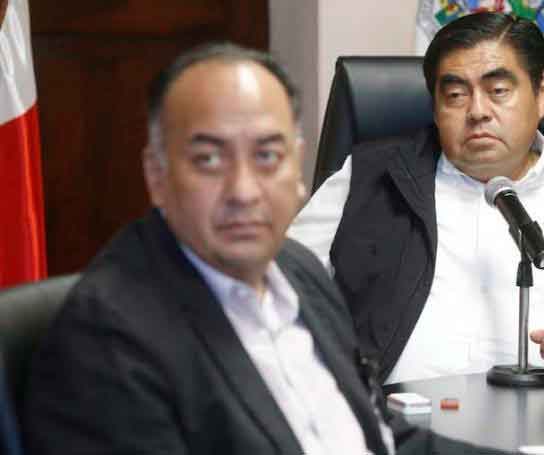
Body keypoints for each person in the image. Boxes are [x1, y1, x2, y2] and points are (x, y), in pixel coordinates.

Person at [24, 42, 505, 455]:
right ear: (156, 176)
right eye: (208, 159)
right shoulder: (107, 338)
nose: (244, 190)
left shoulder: (297, 271)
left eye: (267, 156)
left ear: (297, 168)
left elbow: (376, 434)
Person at [288, 12, 544, 385]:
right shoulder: (367, 178)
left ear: (542, 93)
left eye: (498, 91)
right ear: (435, 107)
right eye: (455, 95)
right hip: (395, 419)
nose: (477, 111)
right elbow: (278, 285)